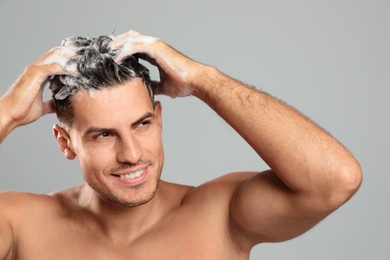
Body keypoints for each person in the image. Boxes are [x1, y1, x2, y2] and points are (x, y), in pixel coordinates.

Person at [0, 30, 362, 259]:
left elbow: (335, 181)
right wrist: (8, 113)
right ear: (66, 142)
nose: (132, 154)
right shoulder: (19, 225)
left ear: (159, 119)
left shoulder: (219, 217)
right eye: (104, 134)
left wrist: (205, 80)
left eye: (142, 124)